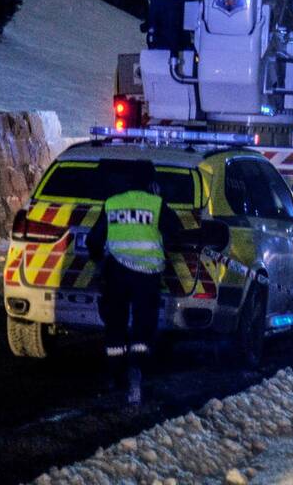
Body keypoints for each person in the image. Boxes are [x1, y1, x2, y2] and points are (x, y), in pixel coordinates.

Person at [86, 161, 184, 405]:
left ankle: (114, 373)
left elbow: (93, 240)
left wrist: (101, 262)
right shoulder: (156, 204)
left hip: (116, 272)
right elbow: (176, 234)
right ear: (152, 182)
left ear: (128, 181)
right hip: (147, 276)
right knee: (143, 324)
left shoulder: (112, 203)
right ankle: (137, 370)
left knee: (115, 324)